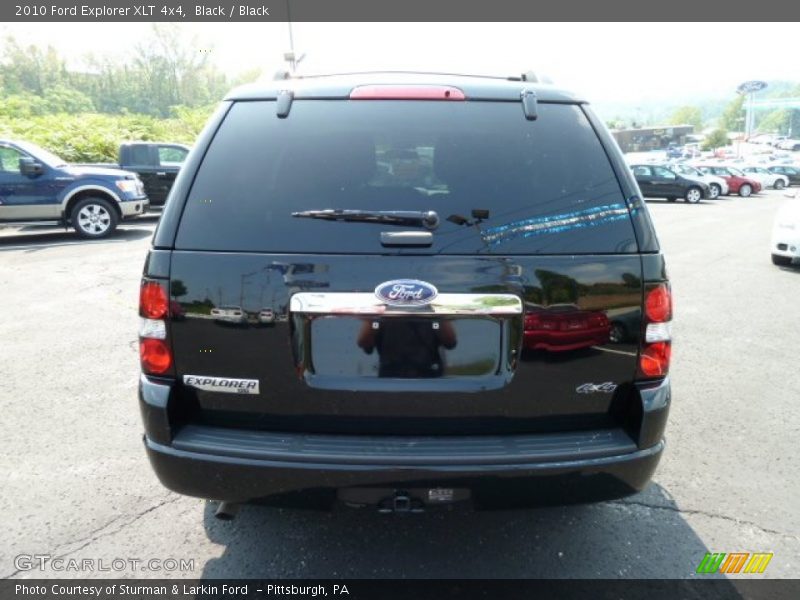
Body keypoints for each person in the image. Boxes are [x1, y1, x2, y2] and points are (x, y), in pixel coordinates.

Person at [357, 318, 457, 378]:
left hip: (430, 380)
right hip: (388, 382)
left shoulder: (431, 307)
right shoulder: (383, 307)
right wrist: (374, 317)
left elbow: (450, 341)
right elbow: (364, 343)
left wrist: (436, 313)